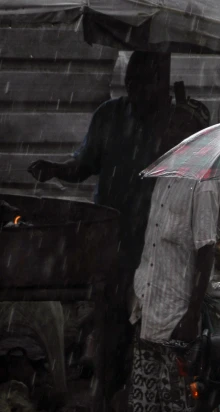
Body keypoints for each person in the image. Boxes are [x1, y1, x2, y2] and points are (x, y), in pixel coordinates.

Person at [27, 51, 184, 392]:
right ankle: (110, 397)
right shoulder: (110, 117)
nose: (137, 91)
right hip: (113, 243)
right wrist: (56, 170)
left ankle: (146, 401)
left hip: (163, 246)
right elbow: (82, 164)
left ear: (162, 85)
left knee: (154, 331)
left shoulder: (179, 122)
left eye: (146, 83)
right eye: (131, 83)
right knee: (112, 326)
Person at [106, 110, 220, 412]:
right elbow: (152, 243)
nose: (168, 136)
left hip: (176, 313)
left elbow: (206, 252)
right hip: (148, 304)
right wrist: (136, 289)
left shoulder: (202, 184)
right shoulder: (163, 177)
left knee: (179, 404)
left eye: (176, 129)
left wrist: (191, 313)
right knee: (141, 397)